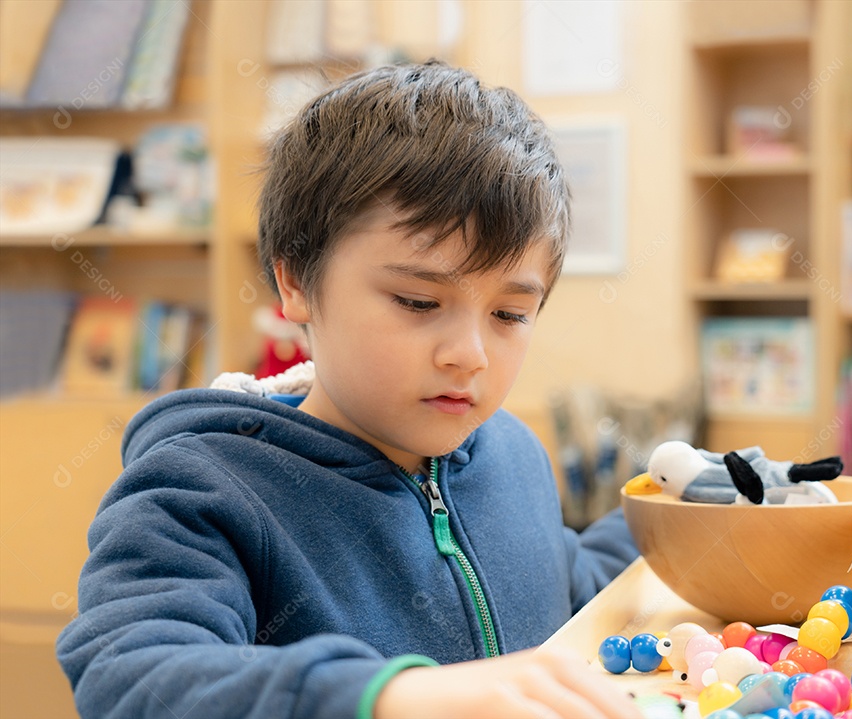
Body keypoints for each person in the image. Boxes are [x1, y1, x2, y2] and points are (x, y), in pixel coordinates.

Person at [56, 61, 642, 719]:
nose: (470, 355)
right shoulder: (202, 490)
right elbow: (132, 674)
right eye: (419, 301)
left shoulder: (514, 454)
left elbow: (570, 580)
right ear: (296, 283)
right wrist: (385, 696)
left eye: (509, 314)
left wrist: (690, 498)